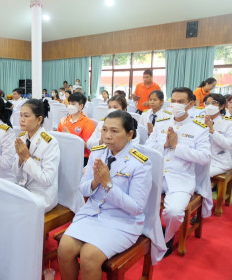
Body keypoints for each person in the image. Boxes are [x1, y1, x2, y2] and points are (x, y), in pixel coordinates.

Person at [58, 110, 152, 280]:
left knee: (89, 256)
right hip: (92, 214)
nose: (107, 136)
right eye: (104, 130)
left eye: (114, 131)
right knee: (64, 248)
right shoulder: (98, 152)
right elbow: (83, 189)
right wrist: (95, 182)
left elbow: (137, 208)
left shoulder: (140, 164)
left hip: (122, 221)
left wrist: (108, 185)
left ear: (129, 134)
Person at [146, 87, 210, 256]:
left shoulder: (199, 128)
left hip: (180, 178)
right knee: (135, 200)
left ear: (190, 105)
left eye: (180, 102)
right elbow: (147, 148)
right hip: (157, 175)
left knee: (174, 212)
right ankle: (152, 231)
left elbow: (205, 157)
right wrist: (165, 145)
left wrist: (176, 146)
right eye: (173, 101)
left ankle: (167, 238)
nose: (175, 105)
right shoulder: (161, 123)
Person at [13, 99, 59, 213]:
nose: (22, 120)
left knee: (15, 211)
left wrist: (26, 158)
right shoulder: (22, 137)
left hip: (43, 195)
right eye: (21, 115)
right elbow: (16, 172)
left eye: (27, 116)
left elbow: (47, 180)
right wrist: (20, 159)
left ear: (39, 119)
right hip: (25, 189)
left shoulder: (50, 143)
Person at [196, 94, 232, 177]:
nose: (209, 106)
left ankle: (207, 188)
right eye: (207, 103)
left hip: (219, 161)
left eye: (213, 103)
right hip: (200, 159)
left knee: (201, 175)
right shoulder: (198, 120)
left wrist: (212, 131)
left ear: (222, 106)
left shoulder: (228, 123)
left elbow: (228, 145)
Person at [57, 92, 95, 166]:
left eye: (73, 104)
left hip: (80, 157)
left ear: (81, 106)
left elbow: (87, 145)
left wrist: (70, 137)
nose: (70, 106)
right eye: (70, 104)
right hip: (64, 153)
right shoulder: (64, 120)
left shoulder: (87, 122)